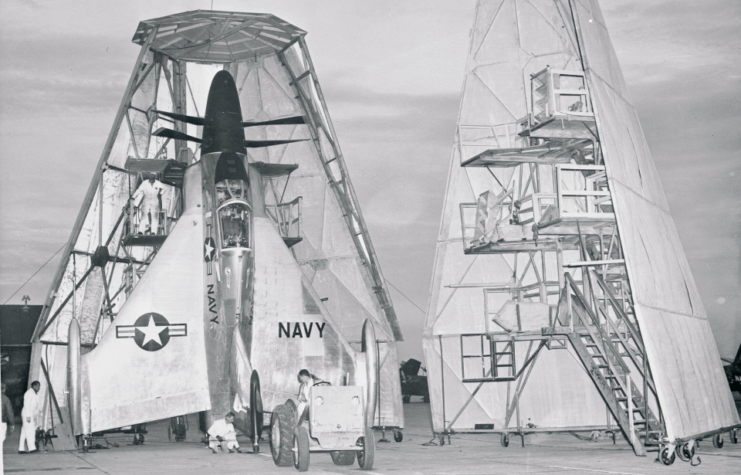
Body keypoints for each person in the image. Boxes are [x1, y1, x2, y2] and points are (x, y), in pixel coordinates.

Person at [19, 381, 40, 454]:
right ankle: (32, 448)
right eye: (38, 386)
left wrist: (36, 413)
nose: (39, 388)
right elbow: (26, 405)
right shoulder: (29, 393)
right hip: (27, 414)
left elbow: (34, 406)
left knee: (24, 432)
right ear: (34, 386)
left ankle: (21, 449)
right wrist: (28, 416)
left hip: (30, 414)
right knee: (30, 431)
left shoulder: (33, 393)